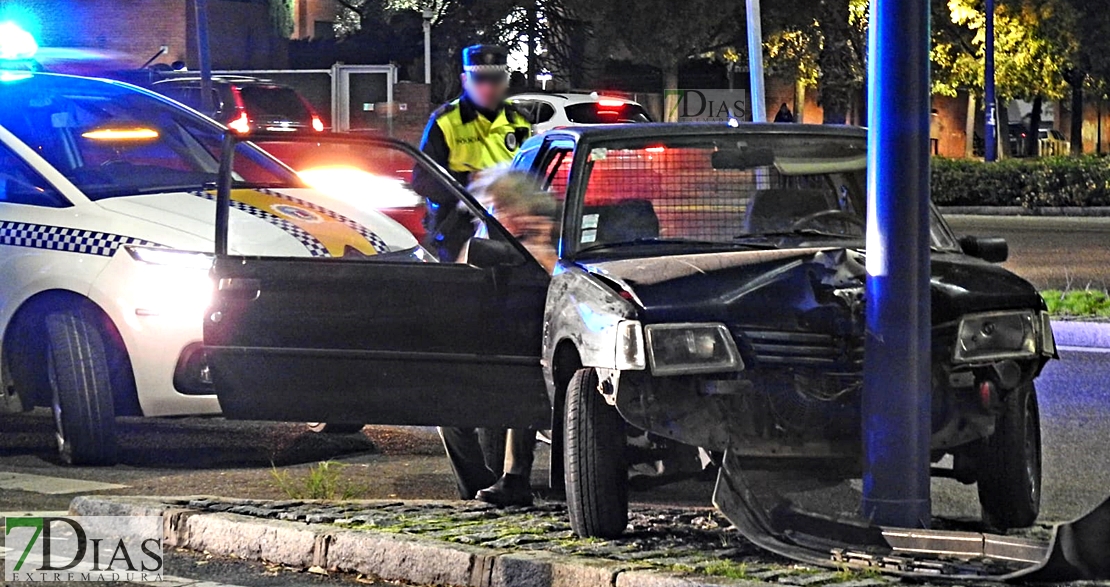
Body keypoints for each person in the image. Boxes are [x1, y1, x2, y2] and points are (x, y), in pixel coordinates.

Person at [442, 169, 558, 507]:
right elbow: (462, 287)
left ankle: (514, 479)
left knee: (519, 396)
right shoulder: (490, 236)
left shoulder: (551, 237)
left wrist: (539, 246)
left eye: (505, 206)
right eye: (495, 207)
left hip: (538, 353)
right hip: (492, 348)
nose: (501, 215)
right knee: (447, 416)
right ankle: (476, 487)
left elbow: (567, 282)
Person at [415, 44, 533, 262]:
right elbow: (422, 180)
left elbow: (532, 173)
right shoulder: (445, 121)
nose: (488, 88)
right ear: (464, 80)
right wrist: (468, 184)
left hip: (509, 228)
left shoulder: (520, 120)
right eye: (479, 80)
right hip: (459, 229)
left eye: (495, 79)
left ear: (505, 80)